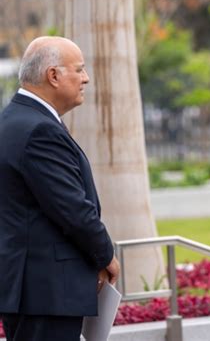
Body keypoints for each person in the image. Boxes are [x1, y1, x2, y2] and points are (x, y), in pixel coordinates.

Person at [0, 36, 120, 341]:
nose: (86, 78)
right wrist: (105, 255)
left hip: (34, 290)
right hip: (46, 292)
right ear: (53, 75)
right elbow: (72, 208)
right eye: (78, 70)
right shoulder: (39, 129)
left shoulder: (14, 120)